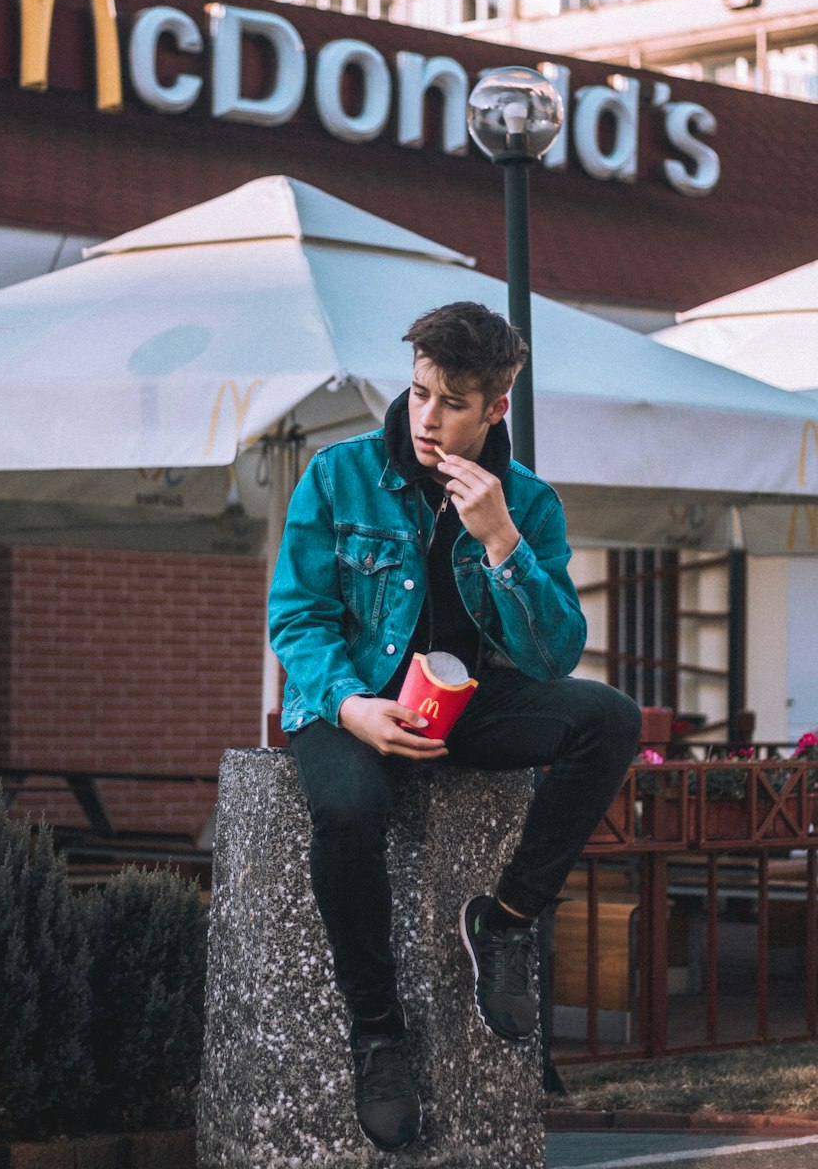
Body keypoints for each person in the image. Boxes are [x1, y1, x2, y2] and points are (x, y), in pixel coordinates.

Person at [268, 300, 642, 1153]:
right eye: (417, 392)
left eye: (452, 403)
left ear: (497, 408)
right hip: (351, 700)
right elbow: (298, 617)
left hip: (467, 708)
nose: (426, 418)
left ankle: (505, 922)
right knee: (351, 811)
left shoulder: (528, 505)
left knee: (610, 720)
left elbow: (553, 657)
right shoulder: (338, 476)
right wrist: (354, 707)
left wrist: (502, 542)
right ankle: (377, 1034)